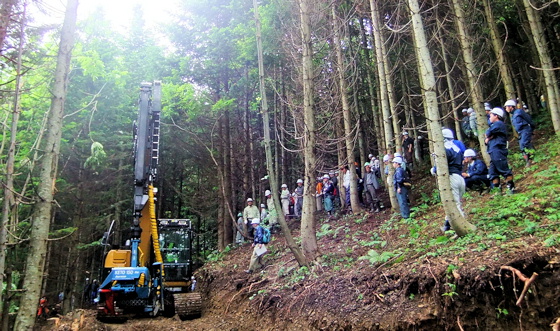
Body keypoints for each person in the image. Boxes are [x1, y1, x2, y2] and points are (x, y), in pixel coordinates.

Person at [433, 128, 466, 232]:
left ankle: (463, 228)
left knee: (455, 204)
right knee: (452, 204)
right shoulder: (457, 149)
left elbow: (441, 165)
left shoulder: (445, 150)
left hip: (452, 178)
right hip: (460, 178)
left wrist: (434, 169)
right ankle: (447, 226)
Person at [485, 107, 515, 194]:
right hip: (493, 150)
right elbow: (487, 135)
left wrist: (489, 136)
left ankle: (511, 188)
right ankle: (497, 190)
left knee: (503, 168)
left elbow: (488, 133)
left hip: (498, 150)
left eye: (491, 115)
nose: (489, 117)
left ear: (496, 116)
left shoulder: (499, 124)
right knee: (492, 172)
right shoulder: (495, 126)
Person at [504, 99, 535, 167]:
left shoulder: (519, 112)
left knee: (524, 144)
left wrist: (532, 127)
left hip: (525, 129)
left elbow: (528, 119)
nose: (506, 109)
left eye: (506, 107)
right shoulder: (513, 115)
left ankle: (531, 159)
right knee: (522, 145)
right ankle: (530, 158)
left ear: (511, 107)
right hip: (521, 132)